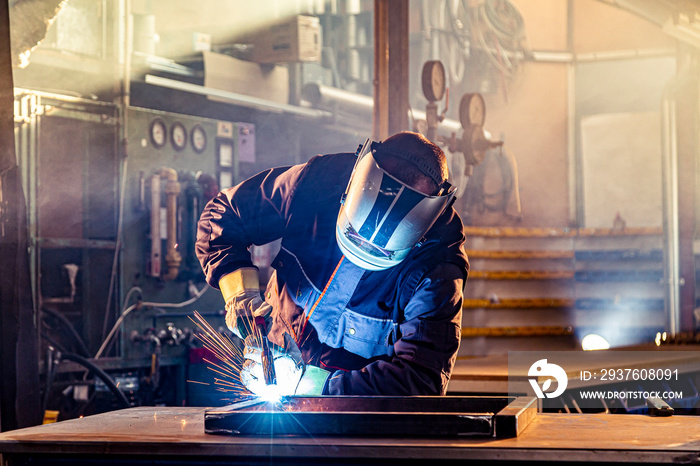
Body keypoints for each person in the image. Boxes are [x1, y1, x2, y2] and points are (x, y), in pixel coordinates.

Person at [196, 131, 469, 396]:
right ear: (352, 186)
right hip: (273, 372)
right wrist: (240, 292)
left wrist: (314, 385)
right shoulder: (316, 183)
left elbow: (421, 379)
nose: (364, 248)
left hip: (355, 420)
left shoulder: (437, 266)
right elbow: (223, 214)